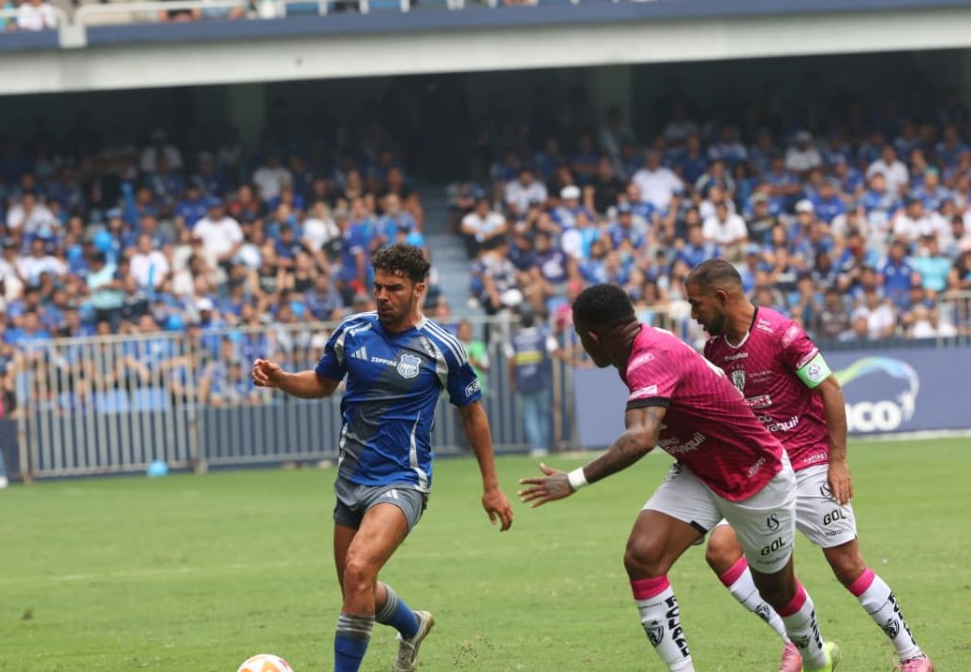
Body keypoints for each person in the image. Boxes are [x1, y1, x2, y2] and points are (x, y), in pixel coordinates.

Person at [519, 284, 839, 672]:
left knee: (777, 589)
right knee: (643, 556)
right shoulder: (641, 347)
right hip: (700, 471)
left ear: (592, 337)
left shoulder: (649, 357)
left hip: (756, 476)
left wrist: (573, 481)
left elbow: (640, 438)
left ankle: (817, 659)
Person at [252, 244, 513, 672]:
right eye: (377, 287)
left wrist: (492, 486)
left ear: (419, 289)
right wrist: (282, 380)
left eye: (394, 288)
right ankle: (412, 625)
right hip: (351, 479)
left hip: (402, 481)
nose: (383, 296)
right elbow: (321, 382)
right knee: (358, 589)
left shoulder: (442, 347)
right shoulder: (352, 332)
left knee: (358, 569)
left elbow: (473, 414)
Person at [685, 259, 932, 672]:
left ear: (721, 297)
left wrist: (838, 462)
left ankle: (913, 655)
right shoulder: (714, 352)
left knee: (847, 565)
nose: (694, 315)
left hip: (808, 464)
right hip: (761, 476)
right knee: (721, 551)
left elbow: (830, 389)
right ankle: (795, 642)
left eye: (697, 304)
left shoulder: (782, 334)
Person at [504, 310, 558, 457]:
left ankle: (536, 448)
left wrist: (512, 380)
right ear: (534, 320)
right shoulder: (543, 335)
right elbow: (554, 350)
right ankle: (544, 447)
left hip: (523, 382)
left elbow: (511, 362)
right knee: (543, 415)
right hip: (541, 380)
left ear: (520, 322)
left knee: (530, 416)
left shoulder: (514, 339)